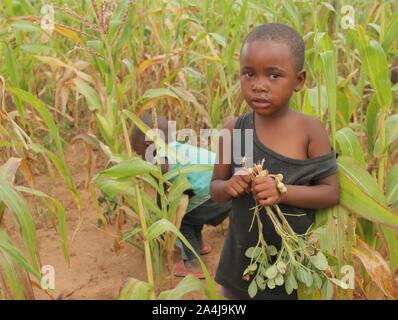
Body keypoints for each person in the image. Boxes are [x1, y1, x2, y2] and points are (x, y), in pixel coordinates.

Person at [210, 23, 340, 300]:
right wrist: (230, 186)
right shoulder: (237, 129)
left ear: (299, 80)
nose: (258, 86)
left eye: (274, 75)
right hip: (242, 268)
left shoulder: (309, 130)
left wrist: (282, 191)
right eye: (249, 74)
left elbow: (330, 192)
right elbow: (216, 190)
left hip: (294, 268)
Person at [131, 113, 231, 279]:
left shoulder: (160, 161)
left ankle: (192, 263)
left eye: (139, 151)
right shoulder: (177, 147)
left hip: (215, 193)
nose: (141, 157)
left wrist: (164, 222)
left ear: (149, 144)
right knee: (191, 213)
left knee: (180, 220)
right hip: (226, 187)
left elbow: (162, 196)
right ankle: (198, 245)